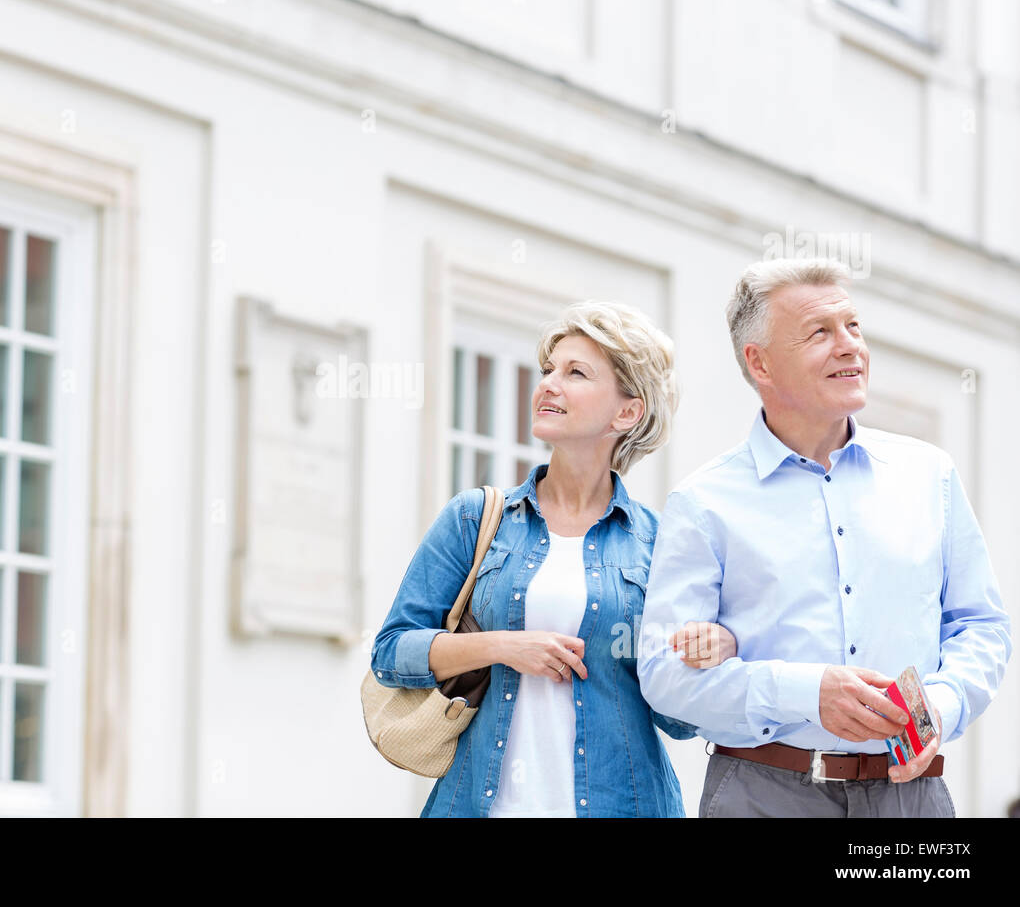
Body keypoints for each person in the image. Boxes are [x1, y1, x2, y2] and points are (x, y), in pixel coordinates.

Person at [638, 258, 1013, 817]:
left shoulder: (929, 474)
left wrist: (941, 703)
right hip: (765, 794)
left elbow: (981, 626)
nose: (849, 347)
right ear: (759, 362)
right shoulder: (704, 502)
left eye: (853, 326)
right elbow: (665, 675)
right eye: (820, 332)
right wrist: (805, 692)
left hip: (914, 799)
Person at [370, 301, 736, 817]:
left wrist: (708, 651)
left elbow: (678, 721)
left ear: (627, 412)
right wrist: (502, 646)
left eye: (575, 373)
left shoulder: (661, 543)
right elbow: (391, 653)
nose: (549, 383)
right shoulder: (477, 520)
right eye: (548, 370)